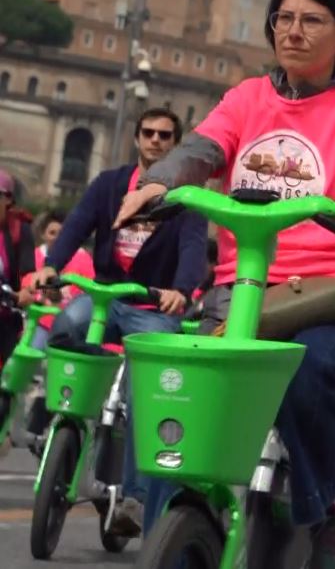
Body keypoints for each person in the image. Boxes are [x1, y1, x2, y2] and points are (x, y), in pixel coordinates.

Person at [112, 0, 335, 566]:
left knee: (308, 368)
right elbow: (200, 150)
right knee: (170, 382)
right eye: (283, 18)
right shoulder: (247, 98)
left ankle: (324, 511)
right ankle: (169, 529)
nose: (293, 31)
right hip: (241, 296)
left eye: (312, 20)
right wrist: (158, 182)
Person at [30, 107, 208, 539]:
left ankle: (134, 498)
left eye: (164, 135)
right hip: (105, 299)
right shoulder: (110, 185)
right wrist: (52, 265)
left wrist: (181, 290)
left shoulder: (186, 198)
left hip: (151, 308)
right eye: (148, 132)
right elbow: (77, 225)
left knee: (146, 395)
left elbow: (193, 249)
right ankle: (65, 418)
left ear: (175, 144)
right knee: (65, 326)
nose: (155, 140)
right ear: (136, 138)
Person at [27, 211, 95, 349]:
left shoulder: (83, 258)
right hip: (42, 322)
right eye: (52, 233)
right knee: (32, 351)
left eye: (61, 233)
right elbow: (26, 286)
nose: (57, 238)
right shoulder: (35, 256)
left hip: (72, 326)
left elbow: (91, 292)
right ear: (43, 235)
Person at [0, 169, 35, 361]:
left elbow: (27, 272)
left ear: (8, 200)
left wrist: (27, 291)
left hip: (6, 316)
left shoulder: (19, 229)